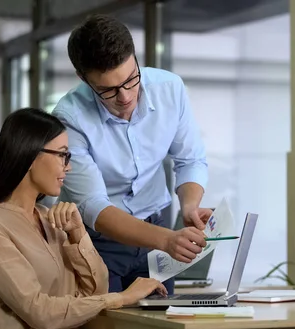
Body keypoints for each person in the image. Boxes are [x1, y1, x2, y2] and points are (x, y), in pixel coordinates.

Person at [0, 108, 167, 329]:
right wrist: (123, 297)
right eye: (63, 155)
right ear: (30, 155)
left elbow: (95, 291)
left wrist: (78, 234)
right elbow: (38, 311)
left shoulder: (50, 218)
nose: (69, 166)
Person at [52, 14, 211, 295]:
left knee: (160, 324)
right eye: (107, 90)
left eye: (130, 80)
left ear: (135, 58)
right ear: (83, 78)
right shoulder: (69, 117)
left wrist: (189, 207)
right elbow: (94, 207)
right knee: (106, 326)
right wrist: (167, 240)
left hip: (155, 228)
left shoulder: (169, 89)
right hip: (97, 240)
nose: (125, 97)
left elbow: (190, 160)